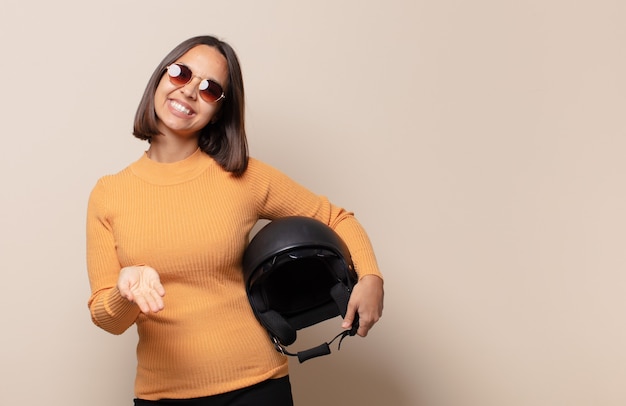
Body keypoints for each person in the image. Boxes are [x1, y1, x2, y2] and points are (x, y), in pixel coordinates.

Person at [86, 35, 384, 405]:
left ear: (220, 110)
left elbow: (336, 219)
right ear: (161, 78)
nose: (190, 91)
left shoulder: (242, 176)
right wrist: (123, 290)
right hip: (162, 395)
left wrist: (370, 277)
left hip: (256, 386)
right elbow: (108, 319)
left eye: (210, 89)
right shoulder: (109, 193)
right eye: (181, 74)